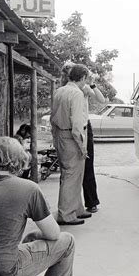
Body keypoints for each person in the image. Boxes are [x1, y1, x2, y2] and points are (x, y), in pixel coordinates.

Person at [0, 137, 75, 276]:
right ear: (20, 161)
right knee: (67, 242)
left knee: (31, 237)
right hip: (1, 273)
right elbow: (54, 234)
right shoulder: (29, 188)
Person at [51, 64, 91, 225]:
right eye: (85, 78)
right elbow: (76, 124)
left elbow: (53, 117)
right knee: (71, 175)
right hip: (72, 137)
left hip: (61, 135)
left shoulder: (59, 91)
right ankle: (66, 214)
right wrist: (82, 146)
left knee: (72, 174)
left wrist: (55, 138)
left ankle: (77, 208)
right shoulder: (76, 94)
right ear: (82, 78)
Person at [82, 73, 105, 213]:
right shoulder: (72, 89)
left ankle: (90, 202)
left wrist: (92, 84)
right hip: (79, 124)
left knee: (87, 164)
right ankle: (87, 203)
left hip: (83, 124)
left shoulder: (84, 87)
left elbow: (101, 99)